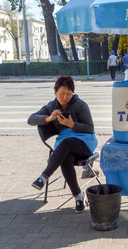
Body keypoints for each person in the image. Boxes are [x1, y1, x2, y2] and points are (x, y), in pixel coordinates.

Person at [27, 75, 97, 214]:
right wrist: (48, 118)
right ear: (55, 92)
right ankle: (78, 196)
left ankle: (44, 176)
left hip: (84, 143)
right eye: (62, 93)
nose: (65, 97)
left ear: (73, 93)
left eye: (68, 94)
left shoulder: (80, 105)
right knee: (66, 157)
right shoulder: (51, 106)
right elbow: (31, 119)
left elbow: (90, 128)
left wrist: (72, 124)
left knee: (67, 143)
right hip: (65, 147)